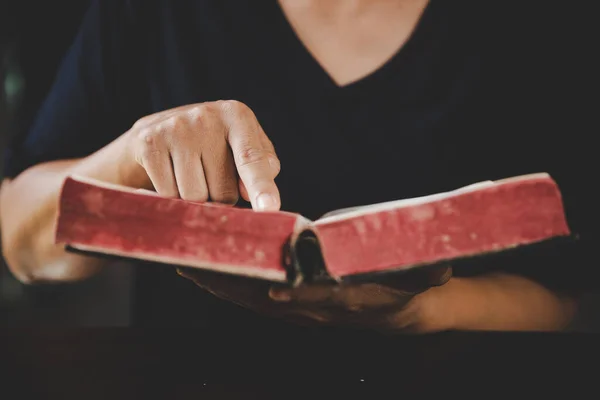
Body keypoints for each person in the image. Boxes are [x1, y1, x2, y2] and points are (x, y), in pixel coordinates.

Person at [0, 0, 590, 333]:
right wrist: (132, 157)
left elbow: (570, 301)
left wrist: (416, 313)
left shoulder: (537, 25)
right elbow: (22, 247)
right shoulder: (155, 13)